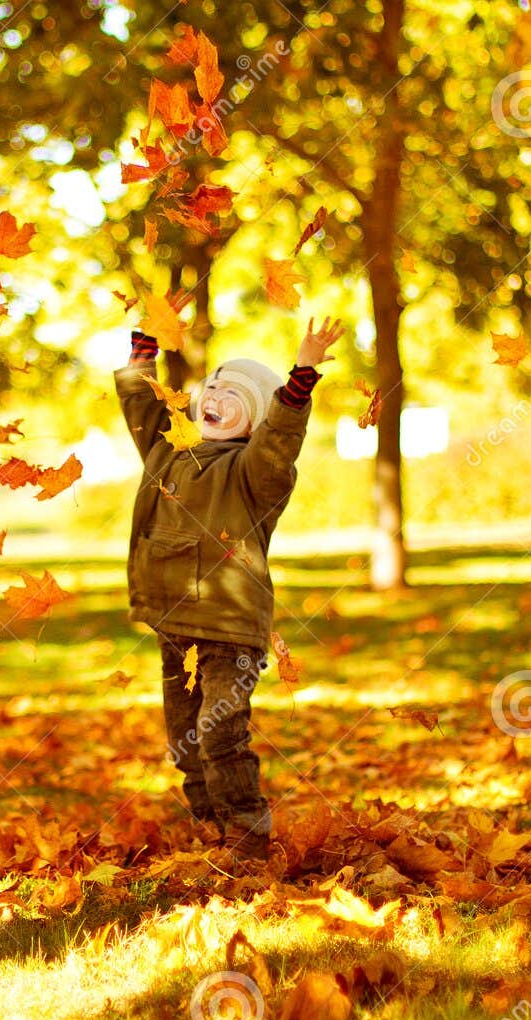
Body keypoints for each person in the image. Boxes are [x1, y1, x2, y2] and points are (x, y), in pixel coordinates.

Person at [115, 312, 347, 860]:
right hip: (178, 627)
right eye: (211, 386)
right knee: (186, 742)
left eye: (233, 393)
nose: (214, 395)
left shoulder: (254, 472)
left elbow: (280, 439)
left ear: (254, 421)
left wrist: (302, 375)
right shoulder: (168, 451)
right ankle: (207, 828)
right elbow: (142, 409)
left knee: (219, 732)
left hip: (231, 631)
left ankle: (247, 837)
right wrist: (145, 352)